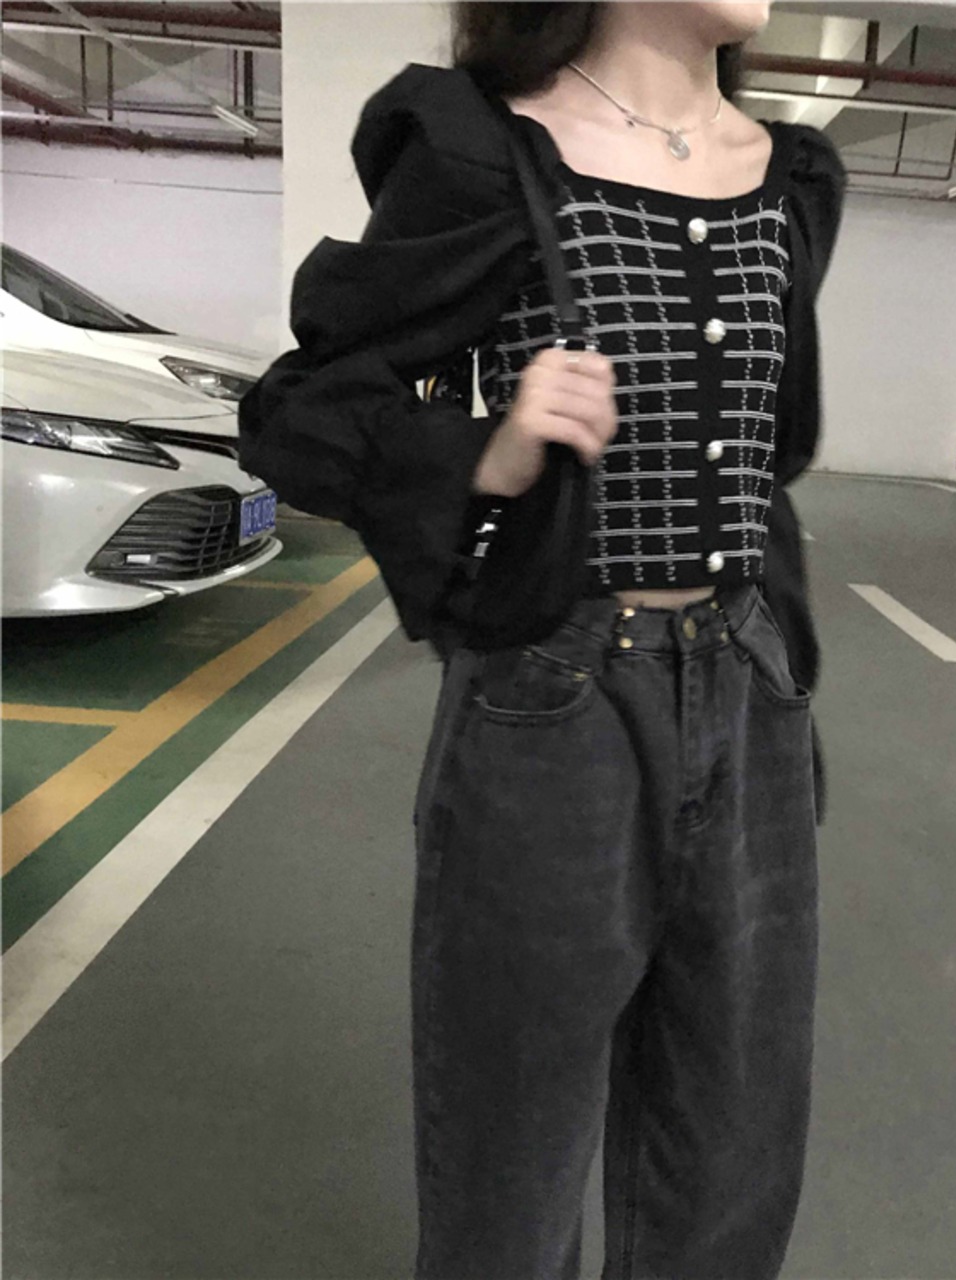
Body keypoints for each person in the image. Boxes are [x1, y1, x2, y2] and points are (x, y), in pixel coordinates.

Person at [237, 3, 846, 1275]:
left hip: (750, 689)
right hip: (556, 691)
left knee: (732, 1138)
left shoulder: (788, 178)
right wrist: (490, 450)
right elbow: (301, 411)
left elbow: (774, 443)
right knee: (510, 1142)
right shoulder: (484, 151)